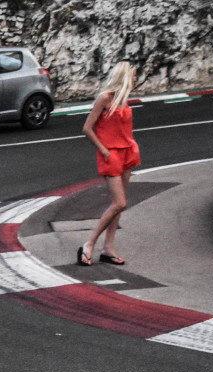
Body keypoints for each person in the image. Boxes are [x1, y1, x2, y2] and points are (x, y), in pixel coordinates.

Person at [78, 62, 139, 266]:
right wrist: (103, 150)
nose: (136, 79)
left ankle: (108, 248)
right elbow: (87, 128)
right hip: (110, 154)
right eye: (133, 75)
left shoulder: (124, 100)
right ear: (124, 76)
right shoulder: (105, 98)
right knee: (119, 203)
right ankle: (89, 244)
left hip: (127, 153)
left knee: (119, 206)